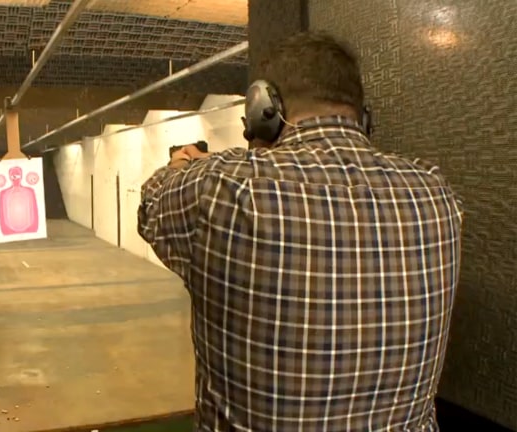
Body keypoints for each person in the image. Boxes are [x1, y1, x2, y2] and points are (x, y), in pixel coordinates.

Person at [137, 32, 463, 432]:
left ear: (263, 107)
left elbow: (151, 203)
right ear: (363, 116)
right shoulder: (435, 192)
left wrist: (183, 164)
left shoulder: (218, 187)